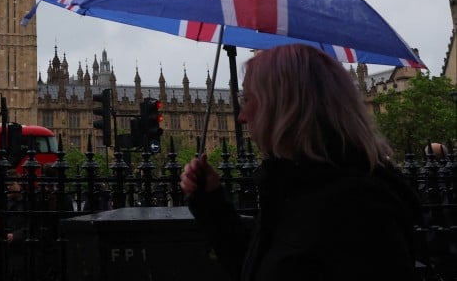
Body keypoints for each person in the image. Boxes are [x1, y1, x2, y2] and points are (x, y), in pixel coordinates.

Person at [180, 43, 421, 281]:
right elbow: (257, 268)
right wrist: (210, 203)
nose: (241, 116)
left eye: (248, 99)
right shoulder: (296, 184)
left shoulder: (357, 205)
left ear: (284, 107)